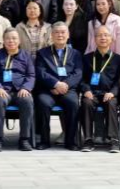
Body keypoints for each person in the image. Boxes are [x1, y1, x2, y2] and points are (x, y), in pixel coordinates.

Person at [33, 23, 82, 151]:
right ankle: (44, 140)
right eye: (57, 32)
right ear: (52, 35)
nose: (60, 35)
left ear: (68, 35)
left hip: (68, 89)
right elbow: (40, 72)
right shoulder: (42, 53)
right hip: (48, 90)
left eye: (63, 32)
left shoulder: (75, 54)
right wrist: (55, 84)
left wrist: (65, 85)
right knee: (43, 103)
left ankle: (71, 141)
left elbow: (78, 73)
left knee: (73, 104)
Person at [0, 29, 36, 152]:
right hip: (3, 90)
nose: (11, 41)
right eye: (8, 38)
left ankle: (24, 139)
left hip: (21, 90)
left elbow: (31, 75)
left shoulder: (26, 55)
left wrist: (26, 88)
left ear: (19, 41)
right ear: (3, 41)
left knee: (27, 101)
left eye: (14, 38)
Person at [79, 25, 120, 152]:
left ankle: (114, 140)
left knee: (111, 103)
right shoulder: (87, 58)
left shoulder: (118, 59)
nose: (103, 38)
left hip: (108, 94)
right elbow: (81, 78)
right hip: (92, 94)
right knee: (86, 103)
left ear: (111, 39)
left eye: (106, 35)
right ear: (94, 39)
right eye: (99, 35)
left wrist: (113, 92)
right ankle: (88, 139)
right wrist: (86, 90)